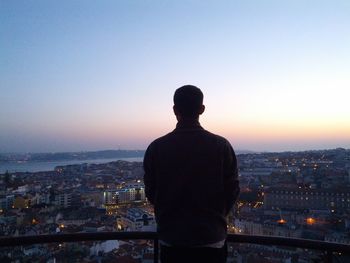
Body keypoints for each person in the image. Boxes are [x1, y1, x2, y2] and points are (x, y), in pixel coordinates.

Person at [143, 85, 240, 263]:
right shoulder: (221, 146)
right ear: (202, 109)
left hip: (172, 238)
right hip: (211, 237)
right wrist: (216, 215)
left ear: (174, 110)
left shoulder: (156, 148)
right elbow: (232, 189)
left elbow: (151, 191)